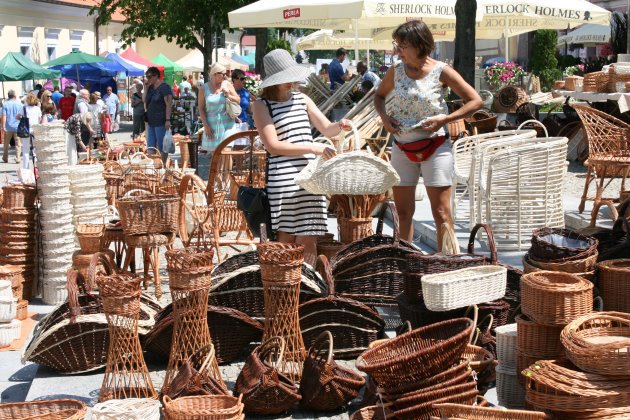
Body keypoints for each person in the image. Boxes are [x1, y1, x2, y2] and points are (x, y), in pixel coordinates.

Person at [374, 20, 483, 249]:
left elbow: (475, 101)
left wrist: (446, 119)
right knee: (403, 212)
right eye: (396, 45)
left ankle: (449, 264)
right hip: (402, 148)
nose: (397, 51)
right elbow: (379, 96)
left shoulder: (441, 70)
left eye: (401, 45)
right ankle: (407, 263)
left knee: (441, 212)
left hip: (436, 147)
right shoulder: (396, 70)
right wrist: (385, 118)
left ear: (418, 44)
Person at [253, 49, 352, 266]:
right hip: (284, 179)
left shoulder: (302, 98)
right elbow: (273, 146)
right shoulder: (261, 105)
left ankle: (307, 291)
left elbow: (327, 129)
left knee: (309, 238)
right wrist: (313, 148)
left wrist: (341, 125)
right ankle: (282, 289)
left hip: (310, 177)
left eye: (291, 76)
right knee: (285, 239)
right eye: (284, 78)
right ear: (272, 81)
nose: (290, 81)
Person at [198, 63, 240, 153]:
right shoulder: (203, 89)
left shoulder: (227, 84)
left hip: (228, 123)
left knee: (226, 151)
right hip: (212, 125)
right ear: (215, 74)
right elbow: (201, 109)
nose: (225, 76)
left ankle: (226, 168)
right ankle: (219, 168)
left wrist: (228, 95)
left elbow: (238, 100)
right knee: (216, 155)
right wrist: (206, 126)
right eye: (223, 74)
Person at [143, 66, 173, 162]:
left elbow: (169, 104)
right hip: (150, 121)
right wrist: (145, 88)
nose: (148, 79)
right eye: (146, 77)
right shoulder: (150, 87)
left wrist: (168, 119)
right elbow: (144, 100)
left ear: (156, 76)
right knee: (150, 146)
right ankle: (153, 167)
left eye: (149, 77)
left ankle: (163, 166)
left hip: (160, 121)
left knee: (162, 146)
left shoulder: (164, 87)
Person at [17, 92, 43, 169]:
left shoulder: (24, 108)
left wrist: (22, 117)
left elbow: (17, 117)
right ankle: (37, 167)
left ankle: (26, 169)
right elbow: (40, 119)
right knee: (36, 149)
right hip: (35, 130)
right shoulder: (37, 108)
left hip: (26, 130)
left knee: (25, 150)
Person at [1, 90, 23, 163]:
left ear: (8, 96)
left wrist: (3, 126)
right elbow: (22, 116)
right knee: (18, 143)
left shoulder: (5, 104)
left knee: (6, 143)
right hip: (18, 126)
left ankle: (5, 157)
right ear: (15, 96)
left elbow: (4, 116)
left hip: (8, 127)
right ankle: (18, 158)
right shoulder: (20, 104)